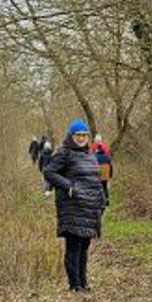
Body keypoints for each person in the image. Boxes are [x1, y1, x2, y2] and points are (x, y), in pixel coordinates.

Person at [44, 120, 105, 292]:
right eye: (78, 135)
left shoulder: (90, 155)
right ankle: (74, 284)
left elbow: (97, 180)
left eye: (84, 135)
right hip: (72, 206)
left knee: (84, 245)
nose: (81, 138)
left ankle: (83, 282)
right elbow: (49, 172)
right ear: (71, 136)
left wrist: (101, 200)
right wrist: (68, 186)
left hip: (90, 207)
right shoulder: (64, 153)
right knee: (74, 245)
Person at [90, 134, 113, 206]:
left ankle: (96, 199)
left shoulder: (92, 148)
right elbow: (110, 164)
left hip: (97, 174)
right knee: (105, 186)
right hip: (105, 174)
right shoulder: (105, 147)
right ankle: (107, 198)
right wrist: (110, 175)